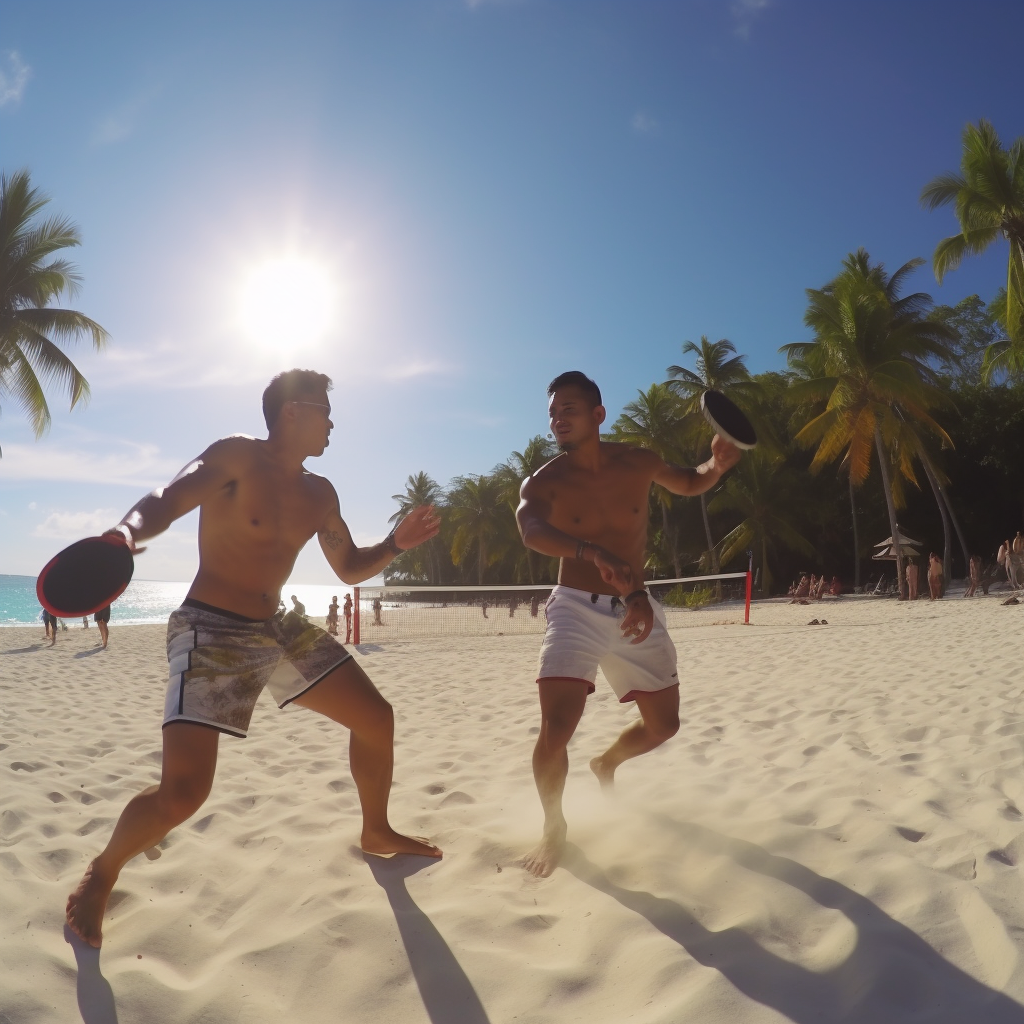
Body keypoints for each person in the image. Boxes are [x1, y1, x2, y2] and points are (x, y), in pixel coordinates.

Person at [66, 369, 442, 949]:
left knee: (376, 718)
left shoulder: (321, 494)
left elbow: (348, 568)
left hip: (278, 627)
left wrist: (395, 545)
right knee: (184, 793)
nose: (332, 422)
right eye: (324, 410)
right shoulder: (234, 458)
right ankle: (103, 871)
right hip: (212, 629)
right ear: (292, 411)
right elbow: (168, 499)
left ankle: (375, 828)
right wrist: (124, 533)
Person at [516, 371, 741, 877]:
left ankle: (607, 763)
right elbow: (531, 531)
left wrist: (717, 465)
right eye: (553, 412)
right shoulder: (544, 481)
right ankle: (554, 828)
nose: (558, 419)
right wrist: (588, 551)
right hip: (574, 604)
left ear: (598, 415)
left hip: (634, 604)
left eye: (569, 409)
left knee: (665, 725)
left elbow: (690, 481)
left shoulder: (637, 461)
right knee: (556, 729)